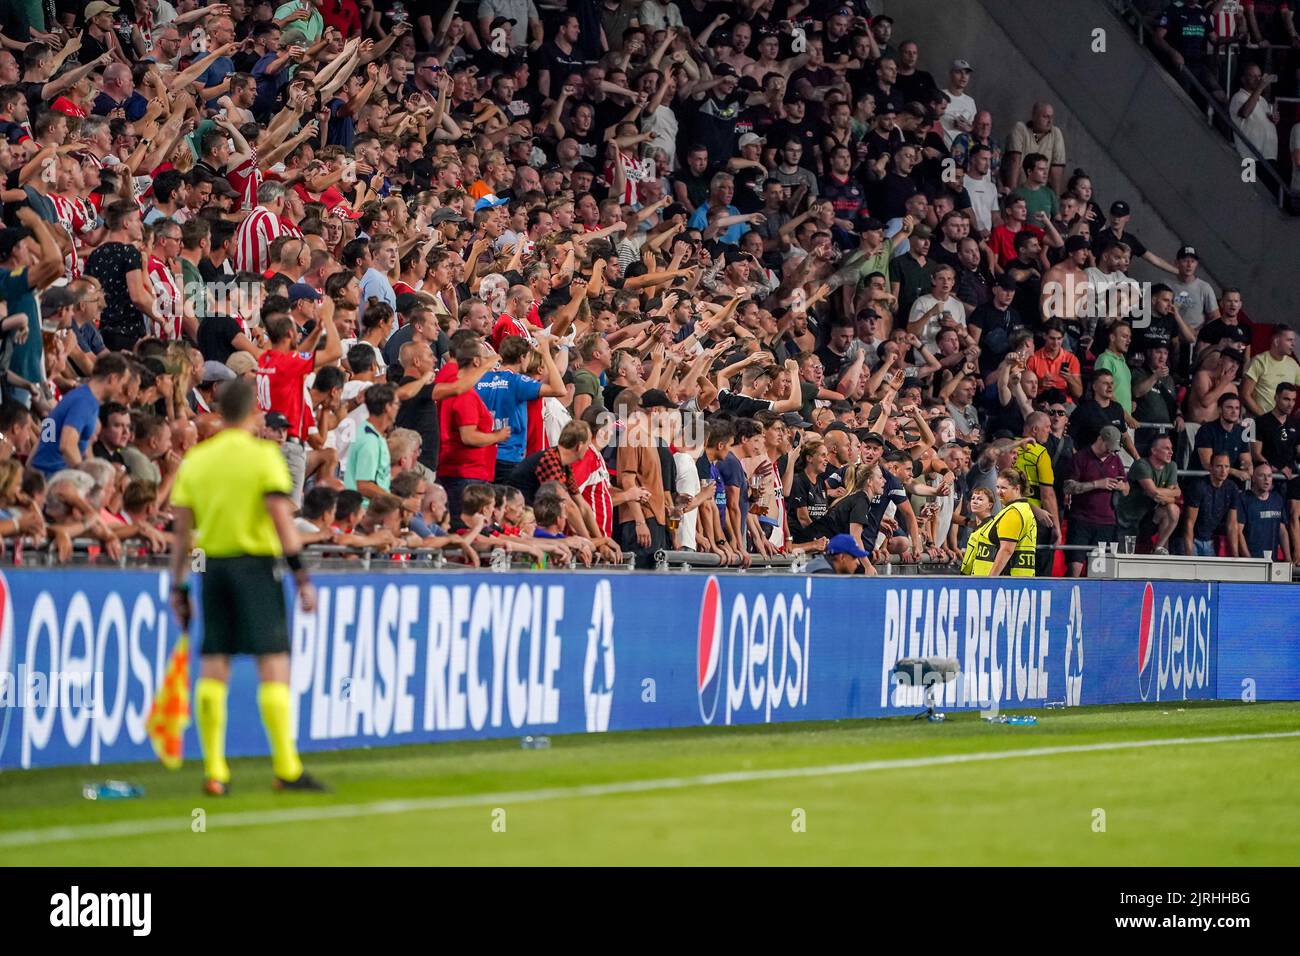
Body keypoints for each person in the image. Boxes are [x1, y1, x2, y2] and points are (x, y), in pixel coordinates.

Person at [169, 380, 327, 796]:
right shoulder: (263, 457)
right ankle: (286, 768)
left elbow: (182, 532)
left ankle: (215, 771)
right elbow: (279, 514)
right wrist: (301, 575)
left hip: (213, 567)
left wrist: (179, 587)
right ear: (255, 414)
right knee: (273, 664)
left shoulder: (197, 460)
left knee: (214, 662)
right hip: (257, 567)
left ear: (219, 411)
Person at [1116, 433, 1181, 554]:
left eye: (1171, 448)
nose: (1171, 452)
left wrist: (1171, 495)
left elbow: (1170, 496)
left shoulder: (1172, 466)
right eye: (1166, 448)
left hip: (1149, 518)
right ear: (1154, 451)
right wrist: (1174, 493)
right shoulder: (1141, 465)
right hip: (1128, 520)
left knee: (1173, 510)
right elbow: (1155, 494)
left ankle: (1157, 549)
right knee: (1123, 564)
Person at [970, 468, 1037, 577]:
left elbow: (1006, 550)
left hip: (1005, 581)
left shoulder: (1014, 512)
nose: (998, 492)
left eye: (1004, 488)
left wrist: (991, 579)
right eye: (997, 487)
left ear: (1017, 489)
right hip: (1018, 580)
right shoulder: (1023, 508)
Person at [1228, 462, 1289, 560]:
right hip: (1251, 559)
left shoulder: (1277, 499)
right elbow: (1238, 532)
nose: (1266, 480)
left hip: (1272, 560)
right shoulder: (1243, 499)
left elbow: (1282, 531)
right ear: (1253, 479)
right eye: (1262, 476)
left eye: (1269, 476)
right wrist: (1249, 559)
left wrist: (1288, 558)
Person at [1183, 452, 1237, 557]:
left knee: (1210, 573)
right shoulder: (1199, 486)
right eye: (1219, 466)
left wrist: (1236, 556)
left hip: (1209, 540)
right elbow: (1189, 523)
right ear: (1211, 468)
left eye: (1226, 466)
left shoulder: (1231, 488)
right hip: (1190, 538)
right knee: (1188, 573)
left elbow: (1232, 524)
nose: (1223, 470)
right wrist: (1189, 556)